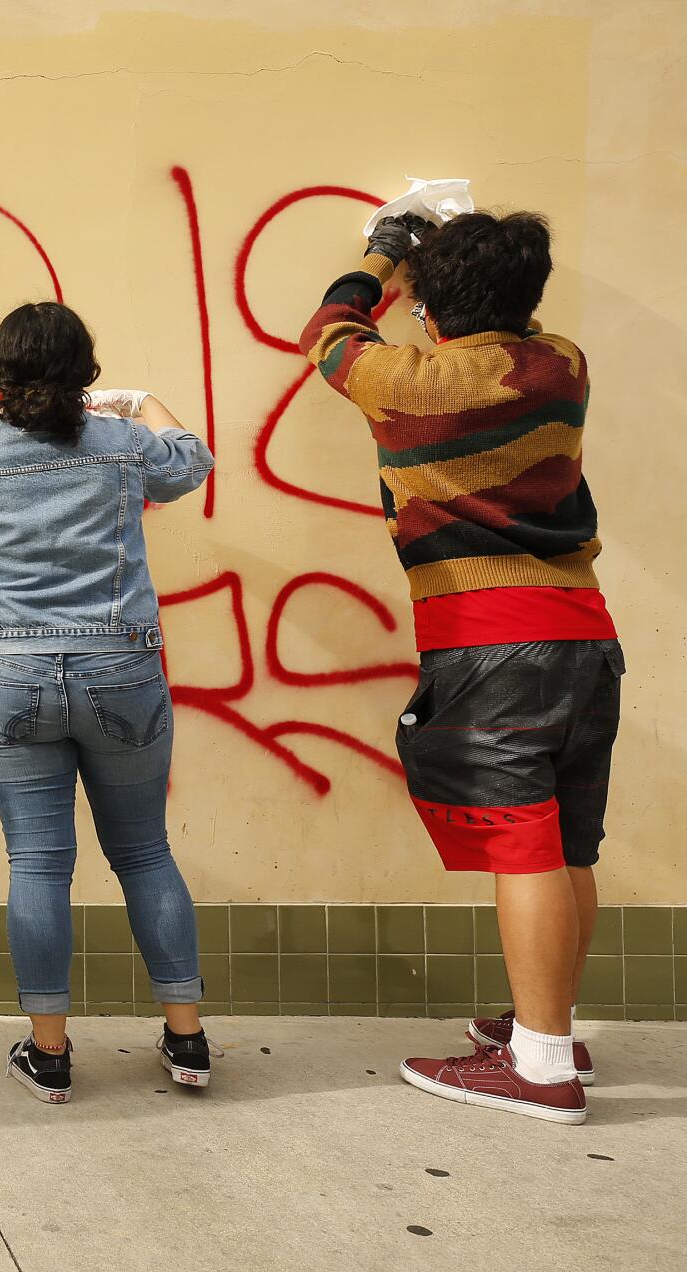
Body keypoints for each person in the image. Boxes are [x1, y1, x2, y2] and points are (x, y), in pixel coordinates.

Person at [303, 211, 619, 1125]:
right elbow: (488, 330)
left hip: (489, 637)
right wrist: (448, 266)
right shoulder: (560, 365)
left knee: (522, 842)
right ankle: (543, 1027)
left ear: (431, 308)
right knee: (566, 841)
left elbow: (329, 334)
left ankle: (542, 1067)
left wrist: (384, 254)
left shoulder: (410, 380)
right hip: (583, 632)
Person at [0, 302, 215, 1104]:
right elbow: (190, 462)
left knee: (39, 863)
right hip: (118, 667)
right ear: (85, 371)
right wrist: (136, 401)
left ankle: (50, 1054)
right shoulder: (121, 445)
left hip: (9, 674)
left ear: (1, 372)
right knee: (146, 854)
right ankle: (187, 1040)